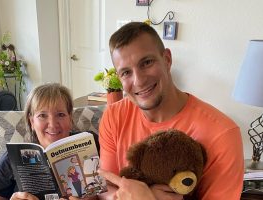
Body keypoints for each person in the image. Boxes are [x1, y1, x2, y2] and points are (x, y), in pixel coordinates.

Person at [97, 22, 244, 200]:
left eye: (146, 62)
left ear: (167, 59)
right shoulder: (114, 116)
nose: (139, 80)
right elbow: (105, 188)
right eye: (126, 72)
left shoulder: (222, 134)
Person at [0, 83, 98, 200]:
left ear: (70, 118)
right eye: (42, 115)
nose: (53, 124)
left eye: (60, 114)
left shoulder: (91, 143)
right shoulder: (13, 157)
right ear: (31, 121)